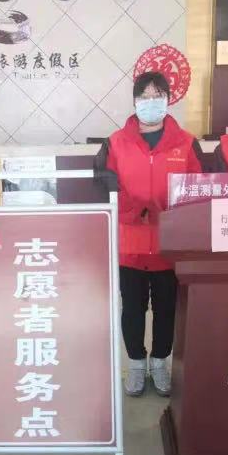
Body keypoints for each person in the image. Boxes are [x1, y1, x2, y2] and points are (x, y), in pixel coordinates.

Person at [94, 71, 204, 397]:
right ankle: (136, 365)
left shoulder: (187, 143)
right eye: (145, 96)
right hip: (130, 245)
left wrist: (167, 211)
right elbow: (103, 185)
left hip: (170, 245)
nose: (151, 102)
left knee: (166, 310)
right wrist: (135, 208)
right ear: (135, 101)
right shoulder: (114, 143)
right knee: (132, 309)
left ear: (169, 100)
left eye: (158, 96)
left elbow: (199, 188)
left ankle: (159, 363)